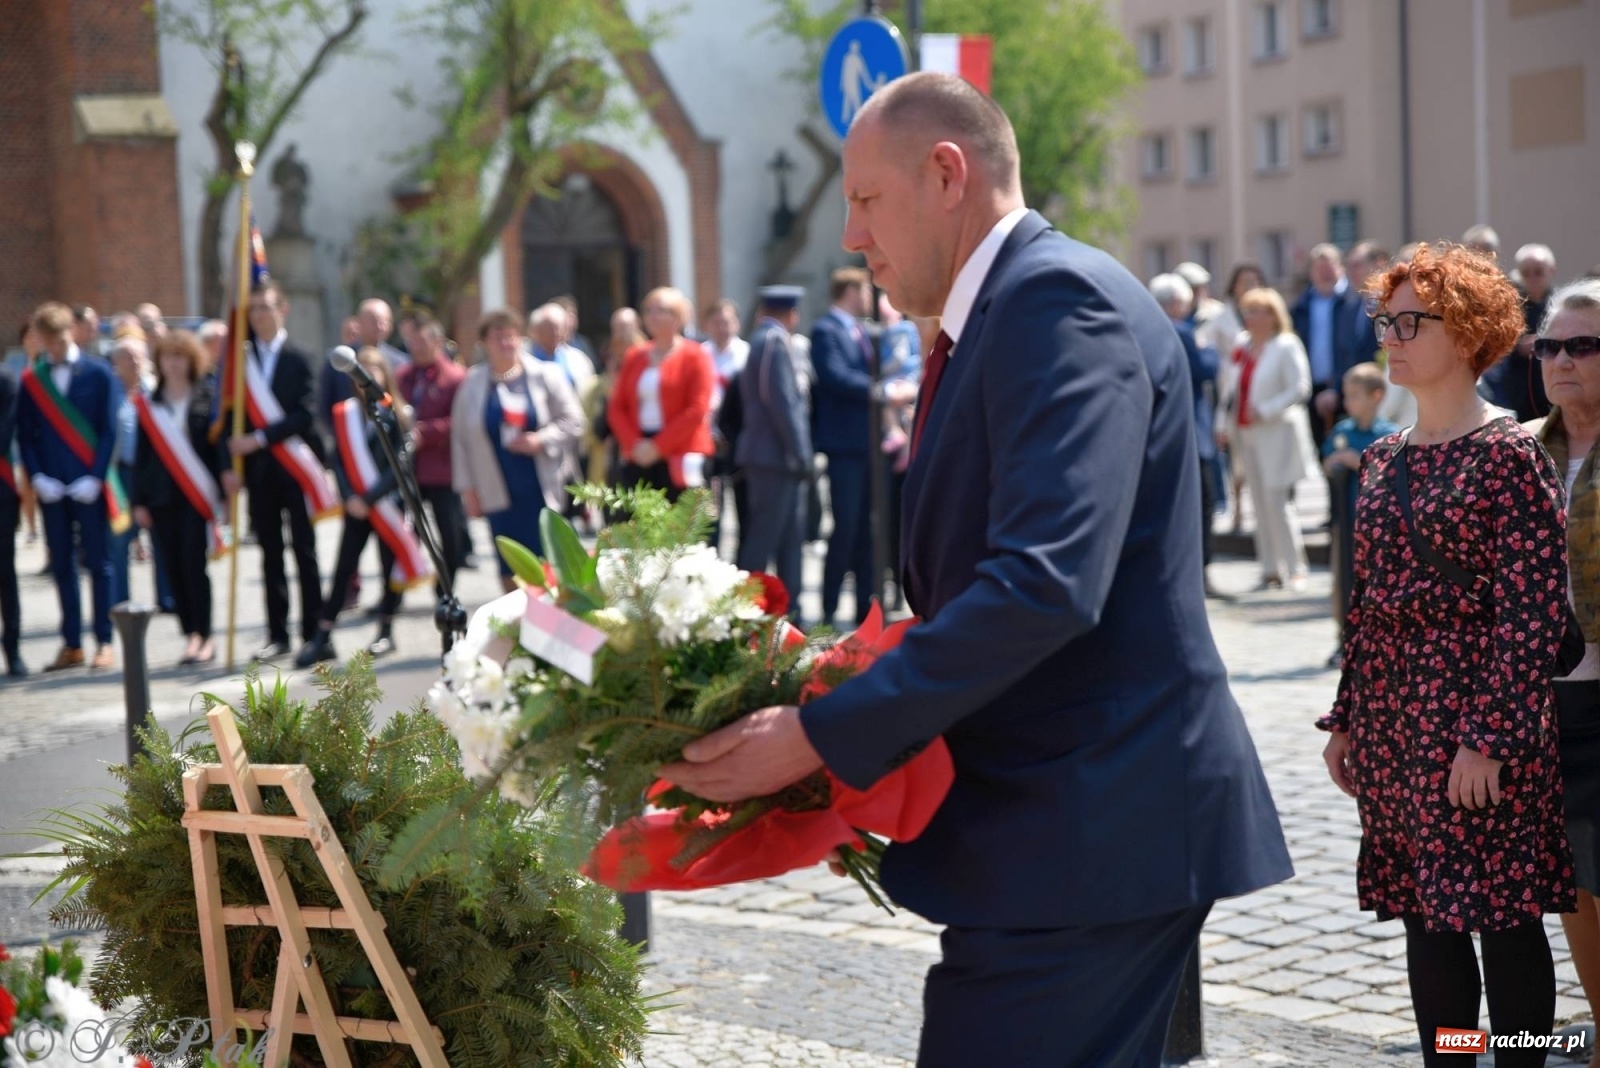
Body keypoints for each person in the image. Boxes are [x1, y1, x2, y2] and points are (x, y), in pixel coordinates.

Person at [660, 72, 1291, 1067]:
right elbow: (980, 582)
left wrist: (824, 736)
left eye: (864, 199)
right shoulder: (1007, 308)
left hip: (1090, 828)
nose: (852, 237)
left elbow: (1044, 582)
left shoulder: (1054, 300)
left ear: (946, 173)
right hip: (1065, 828)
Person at [1320, 243, 1572, 1067]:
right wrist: (1349, 719)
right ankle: (1453, 1061)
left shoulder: (1508, 454)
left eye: (1408, 322)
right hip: (1398, 729)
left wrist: (1488, 738)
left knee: (1502, 921)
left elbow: (1532, 611)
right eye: (1383, 321)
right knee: (1430, 921)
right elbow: (1369, 605)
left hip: (1474, 727)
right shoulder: (1385, 459)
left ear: (1463, 334)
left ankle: (1523, 1059)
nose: (1388, 337)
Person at [1525, 278, 1600, 1068]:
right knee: (1573, 880)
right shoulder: (1521, 448)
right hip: (1547, 698)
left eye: (1583, 345)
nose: (1563, 360)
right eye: (1551, 346)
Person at [298, 347, 428, 667]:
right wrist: (349, 497)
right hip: (356, 507)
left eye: (373, 368)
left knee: (388, 568)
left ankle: (386, 629)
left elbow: (400, 462)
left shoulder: (397, 414)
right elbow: (338, 460)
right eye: (361, 369)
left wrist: (370, 499)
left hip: (387, 504)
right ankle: (323, 634)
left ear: (384, 374)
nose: (366, 375)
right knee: (344, 568)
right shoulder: (345, 414)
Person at [225, 280, 333, 662]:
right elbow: (229, 415)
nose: (259, 315)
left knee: (304, 551)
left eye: (266, 307)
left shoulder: (300, 356)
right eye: (253, 309)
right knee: (270, 553)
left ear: (281, 309)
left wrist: (260, 438)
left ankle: (313, 632)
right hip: (260, 475)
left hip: (295, 469)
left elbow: (305, 415)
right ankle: (277, 634)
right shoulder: (241, 362)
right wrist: (231, 462)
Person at [16, 302, 123, 671]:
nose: (57, 348)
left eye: (61, 340)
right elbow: (26, 436)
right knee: (62, 564)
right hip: (53, 488)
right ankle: (72, 642)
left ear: (71, 333)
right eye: (50, 343)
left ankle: (105, 641)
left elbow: (109, 430)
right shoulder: (33, 380)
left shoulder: (99, 373)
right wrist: (38, 476)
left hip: (88, 486)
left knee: (99, 564)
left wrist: (95, 477)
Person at [811, 268, 917, 626]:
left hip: (873, 447)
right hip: (846, 447)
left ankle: (865, 609)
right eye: (865, 292)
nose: (870, 300)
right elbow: (835, 375)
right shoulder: (826, 330)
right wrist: (881, 391)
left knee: (871, 530)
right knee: (845, 527)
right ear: (850, 293)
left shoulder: (864, 331)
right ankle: (826, 608)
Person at [450, 309, 584, 591]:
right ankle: (517, 624)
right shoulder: (472, 383)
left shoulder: (545, 375)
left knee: (549, 560)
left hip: (540, 482)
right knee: (509, 562)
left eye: (511, 337)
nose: (506, 344)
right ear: (484, 343)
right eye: (498, 338)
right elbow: (460, 440)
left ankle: (553, 620)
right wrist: (468, 491)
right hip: (496, 484)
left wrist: (542, 439)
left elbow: (574, 421)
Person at [131, 331, 225, 666]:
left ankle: (207, 634)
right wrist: (138, 501)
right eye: (167, 356)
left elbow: (218, 448)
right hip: (160, 497)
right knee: (171, 567)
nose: (173, 363)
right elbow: (141, 457)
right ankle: (190, 635)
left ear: (191, 359)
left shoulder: (207, 396)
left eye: (179, 356)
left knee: (194, 564)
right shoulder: (150, 402)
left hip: (196, 496)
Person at [1219, 287, 1317, 591]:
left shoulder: (1285, 345)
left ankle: (1296, 567)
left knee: (1277, 501)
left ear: (1272, 316)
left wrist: (1268, 408)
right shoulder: (1243, 346)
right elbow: (1229, 391)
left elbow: (1301, 387)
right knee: (1258, 502)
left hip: (1277, 432)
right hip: (1246, 432)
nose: (1249, 317)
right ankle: (1269, 568)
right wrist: (1221, 424)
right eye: (1247, 311)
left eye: (1256, 311)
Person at [733, 286, 812, 611]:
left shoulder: (761, 339)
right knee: (763, 541)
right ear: (792, 314)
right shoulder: (775, 342)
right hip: (775, 457)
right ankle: (739, 613)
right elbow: (783, 403)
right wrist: (802, 451)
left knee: (789, 540)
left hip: (775, 458)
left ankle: (790, 612)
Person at [1319, 363, 1398, 670]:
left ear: (1376, 396)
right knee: (1343, 580)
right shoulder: (1342, 431)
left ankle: (1377, 640)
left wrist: (1358, 462)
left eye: (1355, 395)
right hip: (1346, 521)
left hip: (1379, 527)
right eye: (1346, 395)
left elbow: (1391, 474)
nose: (1348, 401)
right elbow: (1327, 461)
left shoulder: (1388, 435)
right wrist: (1334, 463)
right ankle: (1344, 638)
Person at [1150, 273, 1222, 598]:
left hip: (1161, 431)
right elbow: (1206, 368)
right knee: (1203, 503)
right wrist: (1208, 349)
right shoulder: (1181, 331)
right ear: (1178, 302)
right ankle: (1200, 575)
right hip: (1192, 431)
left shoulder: (1145, 328)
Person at [607, 287, 715, 500]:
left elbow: (697, 409)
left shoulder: (696, 355)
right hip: (639, 452)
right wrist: (634, 444)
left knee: (680, 527)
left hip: (680, 454)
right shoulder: (635, 356)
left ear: (678, 317)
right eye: (648, 310)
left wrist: (658, 447)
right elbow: (616, 407)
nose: (652, 316)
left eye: (661, 310)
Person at [394, 313, 468, 591]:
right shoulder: (402, 376)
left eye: (423, 341)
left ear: (438, 341)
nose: (417, 347)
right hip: (408, 472)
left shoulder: (455, 377)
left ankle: (445, 590)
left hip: (442, 470)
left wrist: (426, 432)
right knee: (402, 536)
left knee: (451, 538)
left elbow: (461, 420)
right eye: (412, 342)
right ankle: (394, 598)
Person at [1214, 262, 1266, 535]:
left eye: (1254, 280)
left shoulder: (1269, 313)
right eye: (1244, 281)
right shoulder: (1222, 316)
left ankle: (1261, 511)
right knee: (1237, 460)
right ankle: (1237, 510)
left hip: (1261, 395)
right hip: (1233, 390)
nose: (1249, 286)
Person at [1292, 243, 1359, 446]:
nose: (1325, 275)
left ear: (1340, 268)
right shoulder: (1300, 307)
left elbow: (1352, 350)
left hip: (1347, 390)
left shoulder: (1354, 303)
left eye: (1329, 268)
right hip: (1312, 392)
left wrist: (1337, 387)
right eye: (1319, 269)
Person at [1487, 243, 1559, 422]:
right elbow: (1494, 349)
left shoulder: (1562, 306)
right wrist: (1518, 348)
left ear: (1552, 270)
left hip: (1553, 390)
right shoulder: (1509, 307)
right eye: (1526, 273)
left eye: (1538, 271)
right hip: (1518, 394)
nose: (1533, 278)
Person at [0, 358, 24, 677]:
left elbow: (4, 434)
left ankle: (13, 650)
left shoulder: (6, 381)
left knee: (5, 575)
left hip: (1, 494)